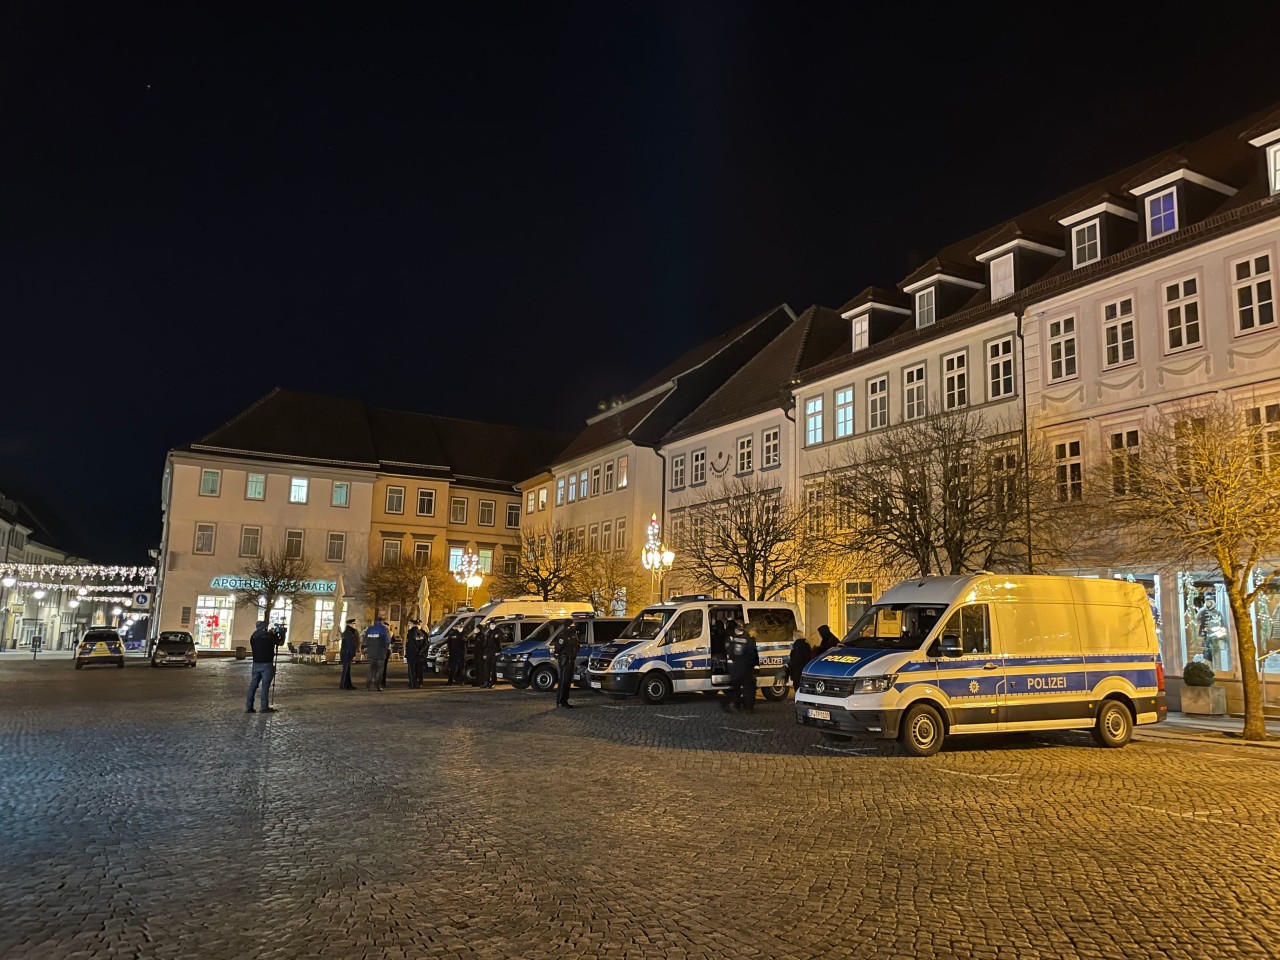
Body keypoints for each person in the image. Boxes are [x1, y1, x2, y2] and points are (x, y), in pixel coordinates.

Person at [245, 620, 280, 713]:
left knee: (253, 685)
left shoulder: (253, 637)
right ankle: (264, 707)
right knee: (265, 686)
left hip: (256, 663)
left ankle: (249, 706)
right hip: (267, 663)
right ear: (264, 627)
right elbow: (279, 642)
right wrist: (279, 634)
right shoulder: (268, 636)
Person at [724, 622, 759, 712]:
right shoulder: (749, 639)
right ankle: (749, 707)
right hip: (746, 666)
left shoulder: (734, 639)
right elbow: (752, 654)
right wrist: (754, 666)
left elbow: (730, 652)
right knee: (749, 688)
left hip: (736, 666)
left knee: (736, 688)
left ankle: (737, 706)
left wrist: (736, 661)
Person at [554, 621, 582, 708]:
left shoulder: (573, 635)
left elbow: (577, 646)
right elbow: (558, 648)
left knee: (568, 681)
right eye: (572, 624)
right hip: (565, 660)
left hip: (571, 660)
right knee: (563, 681)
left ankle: (564, 701)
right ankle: (560, 701)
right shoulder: (564, 635)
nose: (574, 626)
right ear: (568, 626)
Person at [363, 615, 391, 691]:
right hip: (381, 653)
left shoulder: (370, 629)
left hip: (371, 653)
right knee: (379, 670)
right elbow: (388, 641)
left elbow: (365, 641)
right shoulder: (383, 630)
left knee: (371, 669)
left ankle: (368, 686)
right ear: (382, 621)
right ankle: (377, 685)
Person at [405, 619, 427, 688]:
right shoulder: (422, 633)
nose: (409, 626)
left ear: (412, 624)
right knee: (419, 670)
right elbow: (425, 644)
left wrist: (411, 653)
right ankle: (419, 683)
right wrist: (421, 652)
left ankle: (413, 684)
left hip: (412, 655)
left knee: (412, 670)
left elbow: (411, 645)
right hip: (420, 655)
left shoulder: (411, 633)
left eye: (409, 624)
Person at [338, 617, 358, 690]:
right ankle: (343, 684)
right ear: (350, 624)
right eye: (353, 624)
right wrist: (353, 653)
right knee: (346, 669)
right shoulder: (348, 633)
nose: (354, 625)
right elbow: (350, 645)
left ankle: (348, 685)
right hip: (346, 653)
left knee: (347, 669)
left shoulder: (348, 632)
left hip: (345, 652)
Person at [481, 622, 501, 688]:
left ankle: (492, 683)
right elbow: (485, 644)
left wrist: (498, 651)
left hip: (495, 651)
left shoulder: (498, 631)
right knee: (486, 668)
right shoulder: (488, 632)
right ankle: (486, 682)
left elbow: (500, 641)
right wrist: (484, 653)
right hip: (488, 651)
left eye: (493, 624)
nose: (492, 626)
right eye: (491, 624)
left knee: (493, 668)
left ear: (495, 625)